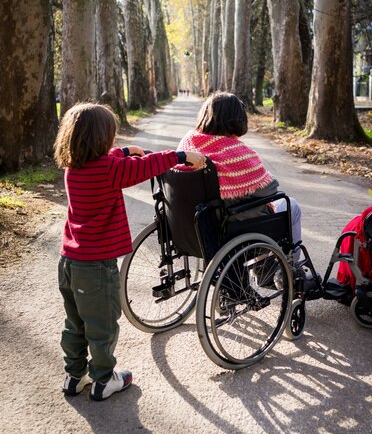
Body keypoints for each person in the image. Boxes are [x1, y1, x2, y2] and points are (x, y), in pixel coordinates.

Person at [54, 102, 205, 401]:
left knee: (75, 322)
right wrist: (181, 155)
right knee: (103, 325)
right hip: (96, 267)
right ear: (101, 139)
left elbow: (109, 162)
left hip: (69, 261)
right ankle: (104, 379)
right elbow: (145, 167)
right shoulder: (110, 171)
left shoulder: (74, 168)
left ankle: (75, 375)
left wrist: (123, 151)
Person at [177, 91, 303, 266]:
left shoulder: (188, 142)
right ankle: (287, 271)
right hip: (232, 226)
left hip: (194, 227)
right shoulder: (236, 153)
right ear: (235, 120)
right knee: (292, 205)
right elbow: (270, 189)